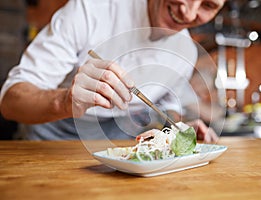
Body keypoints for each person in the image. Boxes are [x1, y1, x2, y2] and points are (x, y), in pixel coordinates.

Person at [0, 0, 225, 142]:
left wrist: (175, 131)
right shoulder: (90, 10)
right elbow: (10, 102)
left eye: (208, 5)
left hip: (119, 150)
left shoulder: (186, 52)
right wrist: (65, 101)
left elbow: (166, 108)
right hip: (49, 142)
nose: (188, 12)